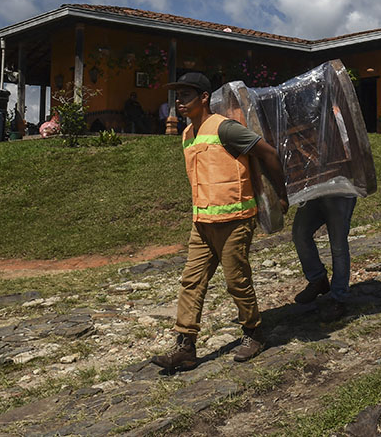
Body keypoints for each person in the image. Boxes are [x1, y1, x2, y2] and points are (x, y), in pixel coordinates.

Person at [151, 72, 289, 373]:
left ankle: (254, 333)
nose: (180, 101)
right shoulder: (188, 134)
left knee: (236, 281)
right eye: (178, 96)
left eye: (186, 95)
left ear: (204, 98)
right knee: (191, 282)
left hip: (234, 220)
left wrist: (280, 195)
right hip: (202, 221)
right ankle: (185, 347)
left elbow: (268, 153)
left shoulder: (226, 129)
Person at [292, 195, 358, 321]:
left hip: (340, 192)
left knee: (338, 246)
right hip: (313, 193)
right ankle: (318, 280)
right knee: (300, 234)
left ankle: (339, 296)